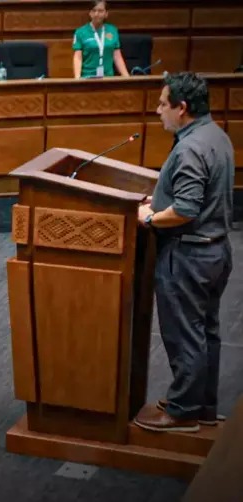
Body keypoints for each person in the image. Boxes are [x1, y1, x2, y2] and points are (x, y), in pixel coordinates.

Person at [134, 72, 234, 433]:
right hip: (215, 252)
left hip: (187, 256)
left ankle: (183, 411)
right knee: (206, 331)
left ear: (182, 108)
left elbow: (186, 209)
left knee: (184, 334)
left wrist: (149, 217)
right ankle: (203, 406)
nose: (158, 110)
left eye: (163, 104)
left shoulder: (191, 147)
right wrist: (159, 200)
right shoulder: (214, 134)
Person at [72, 1, 129, 79]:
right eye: (94, 10)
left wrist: (126, 76)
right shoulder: (80, 32)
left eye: (100, 11)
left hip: (108, 78)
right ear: (90, 13)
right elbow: (78, 57)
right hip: (87, 77)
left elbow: (117, 56)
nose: (96, 14)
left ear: (106, 14)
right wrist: (77, 78)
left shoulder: (112, 30)